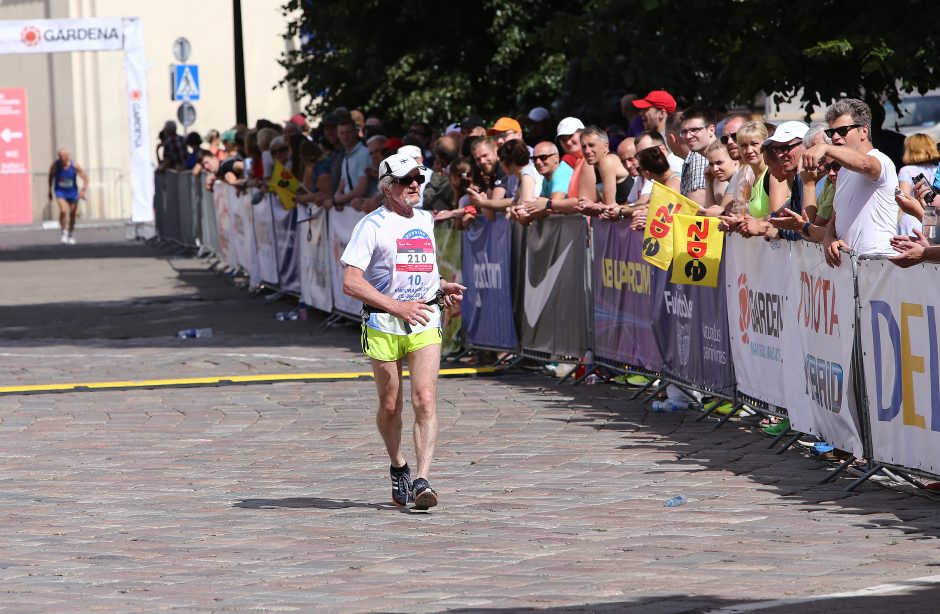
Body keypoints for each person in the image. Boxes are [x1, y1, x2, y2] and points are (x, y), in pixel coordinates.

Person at [340, 153, 465, 510]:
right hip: (383, 321)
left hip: (425, 318)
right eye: (405, 180)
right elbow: (350, 282)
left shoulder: (425, 219)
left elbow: (420, 269)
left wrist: (441, 286)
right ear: (386, 187)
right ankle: (399, 466)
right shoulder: (371, 225)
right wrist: (397, 307)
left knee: (424, 398)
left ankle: (423, 480)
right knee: (391, 405)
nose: (414, 185)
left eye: (418, 179)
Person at [802, 98, 900, 266]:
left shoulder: (880, 160)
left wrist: (825, 148)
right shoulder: (844, 170)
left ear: (864, 131)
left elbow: (866, 164)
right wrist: (829, 238)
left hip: (878, 265)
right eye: (832, 133)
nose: (836, 138)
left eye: (843, 130)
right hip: (850, 267)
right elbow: (835, 217)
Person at [577, 126, 632, 216]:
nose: (587, 151)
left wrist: (593, 205)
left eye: (591, 145)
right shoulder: (597, 165)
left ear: (605, 146)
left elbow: (608, 206)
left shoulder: (607, 161)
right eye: (583, 147)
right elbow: (602, 204)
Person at [894, 133, 939, 236]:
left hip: (912, 220)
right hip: (935, 220)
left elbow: (904, 198)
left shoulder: (907, 170)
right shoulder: (937, 170)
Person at [678, 107, 718, 205]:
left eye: (694, 130)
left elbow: (697, 206)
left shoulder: (699, 159)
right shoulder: (701, 156)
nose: (688, 136)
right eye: (684, 132)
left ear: (711, 130)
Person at [48, 147, 88, 245]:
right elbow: (50, 176)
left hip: (72, 192)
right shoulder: (55, 165)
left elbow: (85, 178)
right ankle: (63, 232)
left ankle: (70, 233)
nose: (62, 160)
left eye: (64, 158)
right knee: (63, 210)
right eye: (61, 157)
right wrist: (49, 190)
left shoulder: (74, 166)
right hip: (60, 191)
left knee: (72, 213)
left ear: (68, 157)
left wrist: (83, 190)